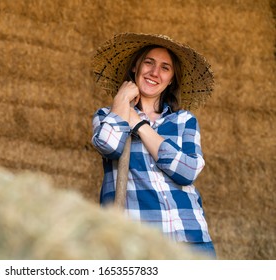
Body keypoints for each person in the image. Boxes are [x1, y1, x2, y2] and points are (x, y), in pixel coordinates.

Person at [91, 33, 216, 259]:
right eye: (148, 62)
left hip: (191, 240)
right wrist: (121, 100)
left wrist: (139, 125)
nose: (154, 73)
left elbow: (187, 172)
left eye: (165, 68)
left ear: (172, 80)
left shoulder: (183, 121)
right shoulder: (106, 116)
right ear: (134, 68)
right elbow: (108, 145)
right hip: (137, 244)